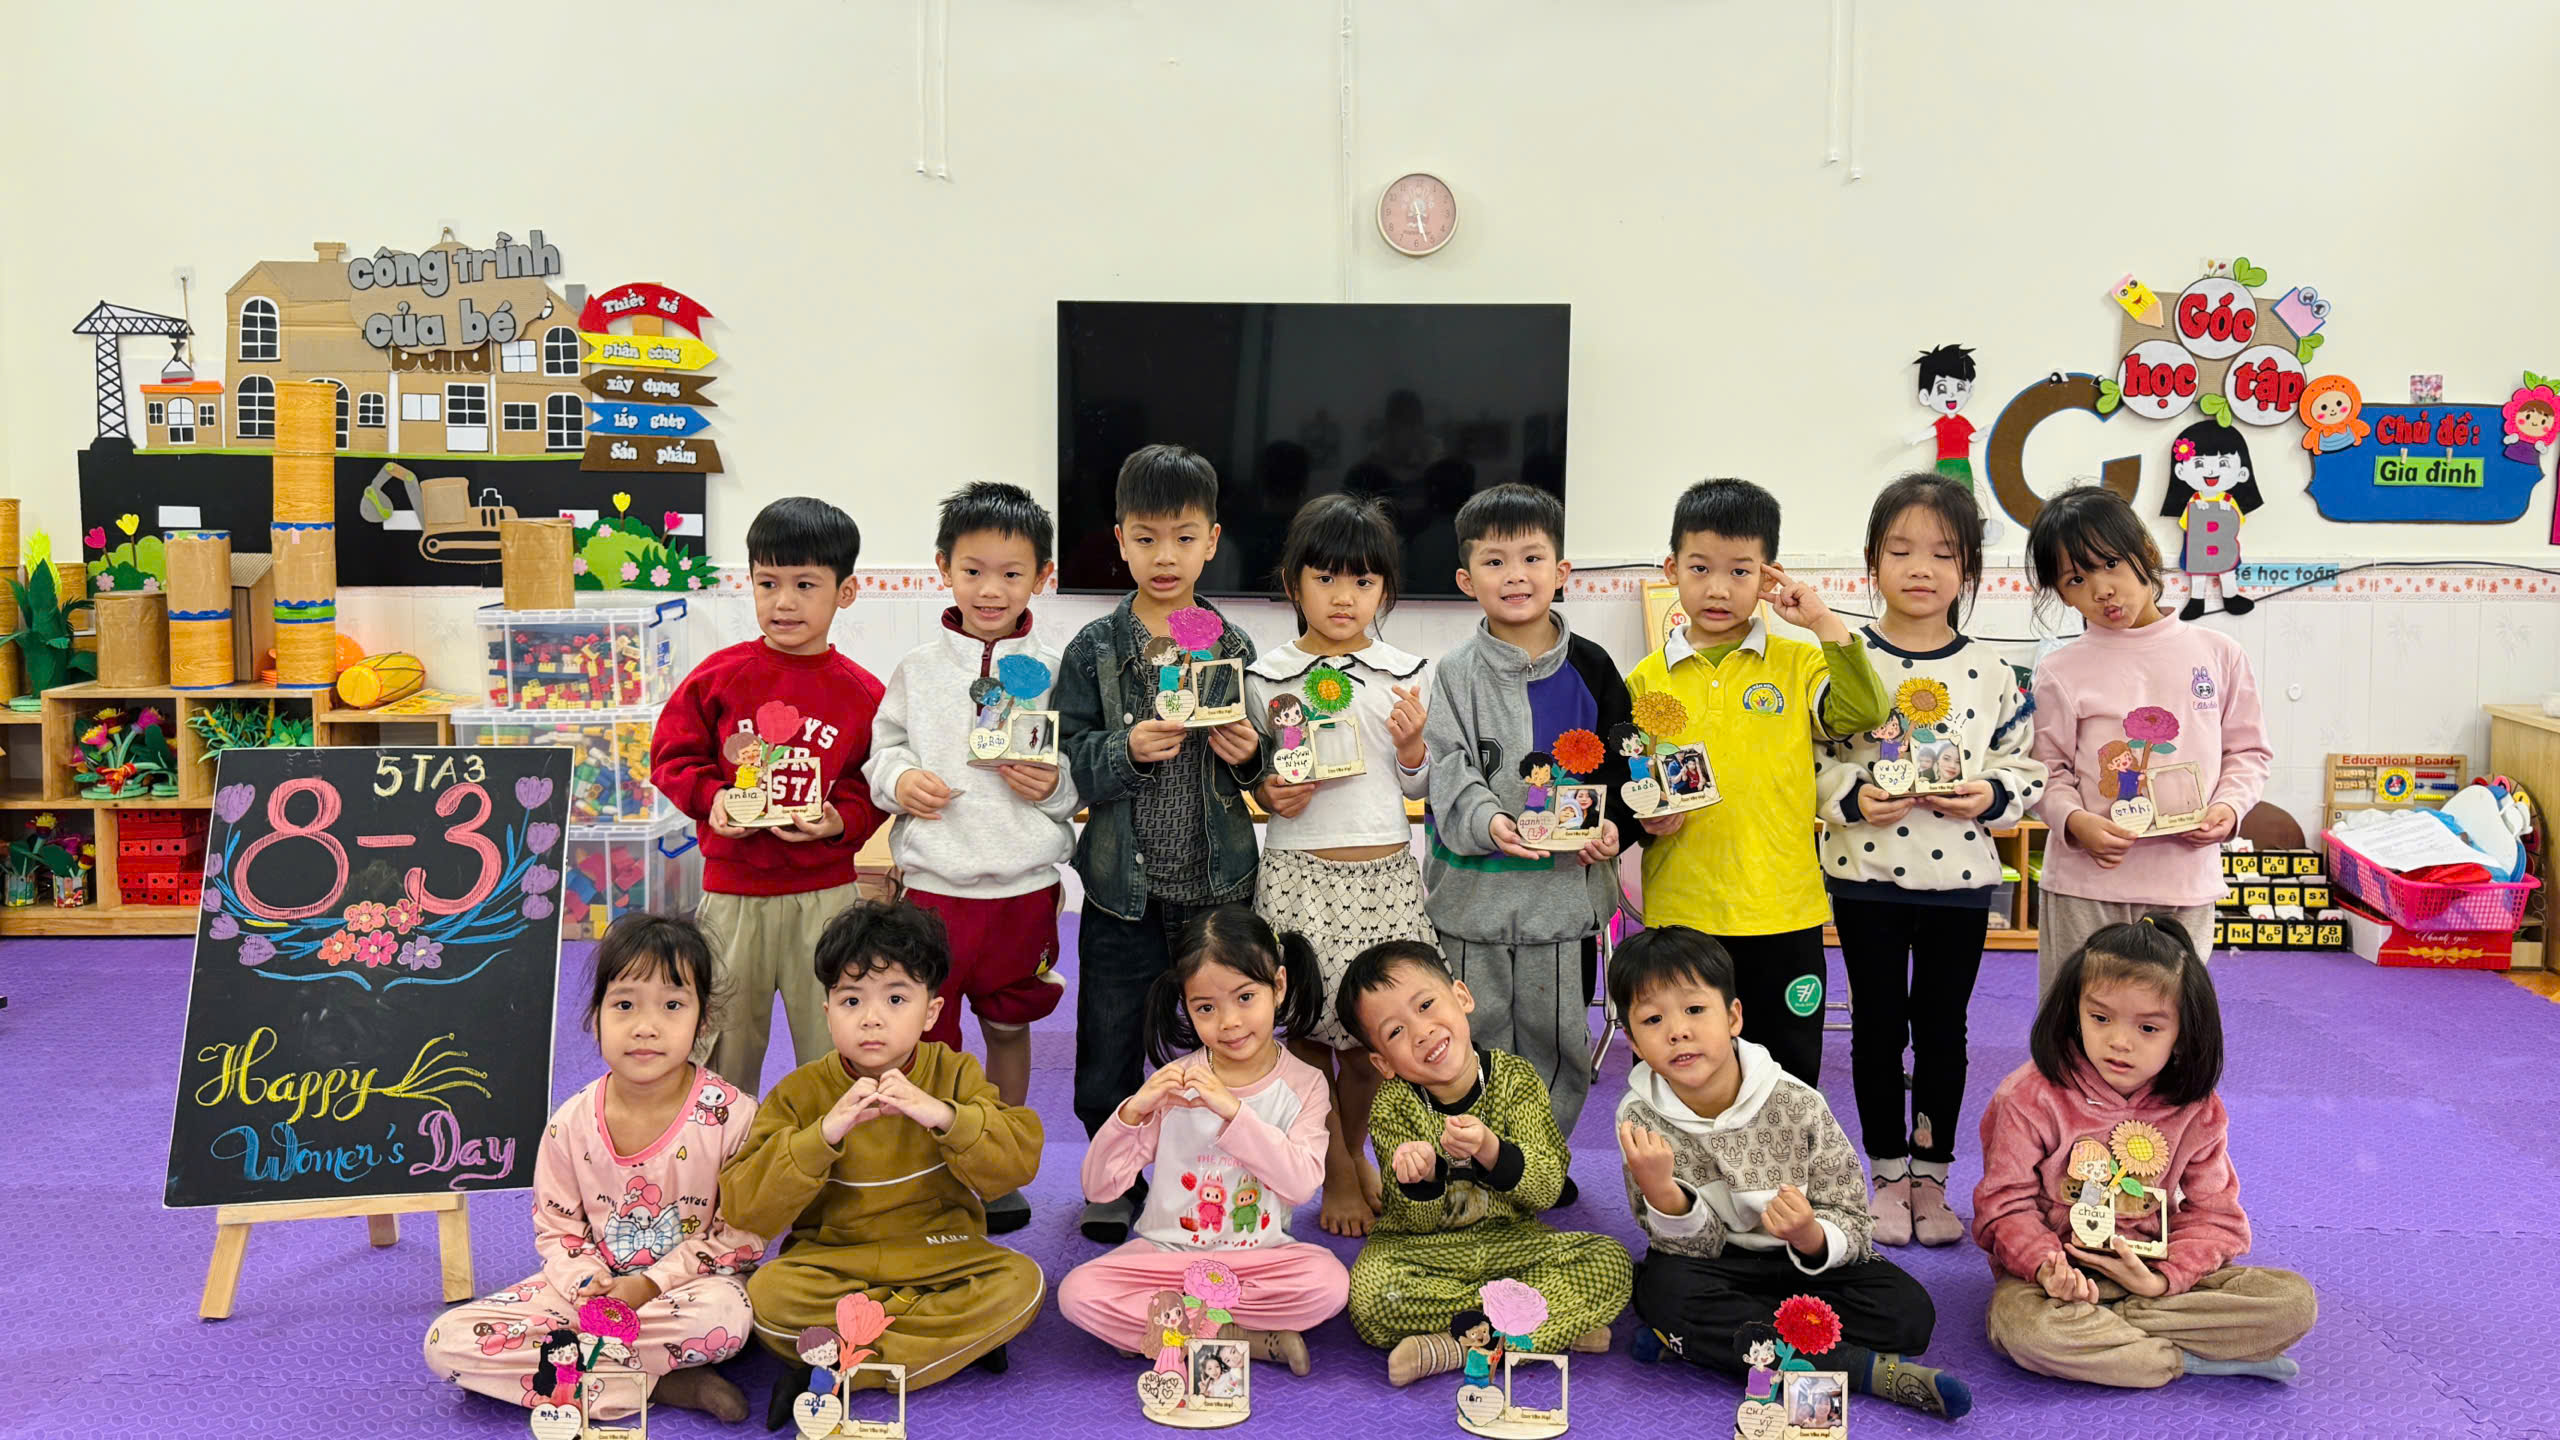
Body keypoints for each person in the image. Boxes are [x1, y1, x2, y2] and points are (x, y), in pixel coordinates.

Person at [1815, 475, 2046, 1248]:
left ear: (1969, 568)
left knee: (1944, 1031)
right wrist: (1851, 797)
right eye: (1901, 550)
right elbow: (1810, 760)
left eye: (1944, 554)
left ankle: (1933, 1177)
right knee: (1877, 1030)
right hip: (1866, 876)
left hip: (1961, 882)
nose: (1921, 568)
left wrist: (1992, 793)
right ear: (1872, 563)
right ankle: (1885, 1174)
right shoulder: (1845, 660)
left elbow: (2025, 764)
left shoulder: (1993, 671)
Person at [1612, 927, 1972, 1419]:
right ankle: (1865, 1370)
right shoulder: (1637, 1118)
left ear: (1733, 1017)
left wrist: (1809, 1235)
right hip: (1716, 1265)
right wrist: (1662, 1192)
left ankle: (1702, 1344)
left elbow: (1850, 1214)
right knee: (1664, 1292)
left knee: (1908, 1313)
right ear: (1632, 1040)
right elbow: (1687, 1248)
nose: (1677, 1031)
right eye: (1653, 1019)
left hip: (1804, 1265)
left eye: (1695, 1009)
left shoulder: (1797, 1102)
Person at [423, 916, 764, 1423]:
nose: (645, 1027)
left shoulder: (734, 1117)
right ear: (595, 1015)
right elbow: (557, 1230)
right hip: (590, 1298)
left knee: (726, 1318)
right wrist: (589, 1284)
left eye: (672, 1005)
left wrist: (648, 1286)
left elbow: (740, 1237)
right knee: (445, 1342)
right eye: (624, 1005)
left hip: (681, 1295)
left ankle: (576, 1372)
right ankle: (660, 1382)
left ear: (704, 1018)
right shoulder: (571, 1123)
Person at [1055, 444, 1268, 1243]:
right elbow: (1068, 757)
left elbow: (1269, 766)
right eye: (1146, 539)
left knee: (1229, 1037)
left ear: (1212, 540)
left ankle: (1222, 1171)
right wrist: (1123, 749)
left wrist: (1249, 753)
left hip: (1218, 888)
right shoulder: (1093, 648)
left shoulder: (1233, 645)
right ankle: (1113, 1179)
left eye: (1182, 537)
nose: (1165, 556)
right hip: (1122, 891)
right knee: (1108, 1041)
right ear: (1120, 541)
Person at [721, 901, 1044, 1422]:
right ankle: (952, 1343)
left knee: (1022, 1282)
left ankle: (835, 1366)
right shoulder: (801, 1091)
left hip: (943, 1256)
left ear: (931, 1012)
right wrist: (821, 1135)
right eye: (851, 1000)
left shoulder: (955, 1072)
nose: (871, 1018)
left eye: (896, 998)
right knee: (767, 1296)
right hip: (833, 1263)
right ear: (827, 1012)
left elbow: (1015, 1166)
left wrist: (944, 1116)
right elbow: (745, 1208)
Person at [864, 481, 1079, 1233]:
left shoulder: (1059, 669)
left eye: (1012, 573)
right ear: (943, 570)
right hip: (934, 891)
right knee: (928, 1034)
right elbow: (883, 751)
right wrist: (900, 781)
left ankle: (997, 1161)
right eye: (974, 570)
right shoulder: (920, 668)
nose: (992, 589)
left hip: (1023, 890)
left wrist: (1055, 786)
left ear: (1042, 577)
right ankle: (930, 1164)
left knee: (1011, 1026)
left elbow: (1075, 776)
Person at [1625, 478, 1890, 1086]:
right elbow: (1636, 783)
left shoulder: (1799, 661)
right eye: (1700, 568)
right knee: (1683, 1070)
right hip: (1683, 911)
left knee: (1786, 1073)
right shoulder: (1644, 679)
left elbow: (1863, 711)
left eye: (1740, 571)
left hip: (1783, 909)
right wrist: (1647, 817)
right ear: (1672, 569)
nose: (1718, 589)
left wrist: (1820, 619)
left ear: (1768, 576)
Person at [1976, 917, 2316, 1388]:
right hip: (2056, 1284)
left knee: (2292, 1303)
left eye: (2149, 1027)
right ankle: (2188, 1359)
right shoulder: (2027, 1096)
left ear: (2183, 1035)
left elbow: (2215, 1216)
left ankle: (2122, 1341)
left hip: (2155, 1276)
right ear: (2074, 1012)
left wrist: (2161, 1280)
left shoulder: (2197, 1109)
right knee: (2026, 1330)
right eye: (2100, 1018)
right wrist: (2048, 1268)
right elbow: (2003, 1207)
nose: (2120, 1041)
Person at [1423, 483, 1636, 1152]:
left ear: (1561, 571)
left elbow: (1623, 765)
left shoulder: (1593, 667)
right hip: (1475, 900)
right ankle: (1478, 1155)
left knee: (1558, 1038)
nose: (1515, 575)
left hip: (1564, 901)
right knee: (1473, 1033)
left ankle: (1542, 1157)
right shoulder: (1455, 673)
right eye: (1495, 561)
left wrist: (1614, 828)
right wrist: (1489, 821)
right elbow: (1448, 764)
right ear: (1467, 579)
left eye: (1532, 558)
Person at [1245, 493, 1436, 1238]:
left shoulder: (1407, 672)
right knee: (1303, 1034)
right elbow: (1256, 780)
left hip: (1386, 878)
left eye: (1362, 580)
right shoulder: (1265, 677)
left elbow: (1418, 784)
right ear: (1293, 583)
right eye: (1325, 578)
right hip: (1298, 877)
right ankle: (1332, 1166)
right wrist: (1269, 791)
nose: (1343, 596)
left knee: (1371, 1040)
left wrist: (1413, 747)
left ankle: (1351, 1151)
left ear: (1384, 588)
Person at [650, 496, 888, 1088]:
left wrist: (840, 819)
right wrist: (712, 798)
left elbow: (876, 783)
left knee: (835, 1041)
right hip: (734, 894)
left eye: (805, 585)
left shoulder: (864, 693)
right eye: (767, 583)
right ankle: (722, 1141)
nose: (783, 602)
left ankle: (835, 1140)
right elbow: (671, 756)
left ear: (845, 592)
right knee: (722, 1042)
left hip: (826, 895)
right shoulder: (718, 677)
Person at [1058, 908, 1350, 1378]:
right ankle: (1238, 1337)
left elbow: (1300, 1186)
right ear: (1187, 1006)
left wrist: (1234, 1112)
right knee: (1078, 1293)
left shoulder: (1306, 1084)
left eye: (1245, 997)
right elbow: (1100, 1187)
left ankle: (1165, 1332)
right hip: (1169, 1260)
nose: (1229, 1022)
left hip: (1259, 1261)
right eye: (1206, 1008)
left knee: (1329, 1284)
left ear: (1278, 986)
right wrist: (1132, 1112)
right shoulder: (1175, 1084)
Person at [1336, 940, 1630, 1387]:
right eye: (1395, 1032)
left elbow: (1548, 1188)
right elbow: (1413, 1222)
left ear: (1462, 997)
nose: (1421, 1032)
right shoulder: (1392, 1105)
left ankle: (1454, 1347)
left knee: (1610, 1262)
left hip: (1513, 1246)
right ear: (1383, 1062)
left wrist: (1493, 1151)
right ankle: (1548, 1324)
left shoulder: (1516, 1079)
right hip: (1424, 1254)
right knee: (1373, 1296)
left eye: (1426, 1005)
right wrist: (1424, 1179)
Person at [2025, 487, 2271, 996]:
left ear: (2147, 552)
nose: (2102, 589)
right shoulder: (2060, 670)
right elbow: (2045, 770)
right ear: (2062, 594)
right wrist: (2075, 821)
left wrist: (2228, 808)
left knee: (2168, 1017)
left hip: (2184, 880)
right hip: (2087, 882)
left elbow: (2247, 753)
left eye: (2111, 563)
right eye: (2076, 579)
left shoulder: (2218, 654)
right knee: (2075, 1014)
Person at [2159, 423, 2265, 621]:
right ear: (2180, 471)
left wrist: (2228, 512)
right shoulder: (2194, 501)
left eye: (2223, 463)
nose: (2210, 471)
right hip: (2199, 548)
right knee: (2198, 573)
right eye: (2199, 464)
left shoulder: (2229, 500)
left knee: (2227, 571)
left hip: (2223, 547)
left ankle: (2231, 597)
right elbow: (2185, 524)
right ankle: (2196, 600)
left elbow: (2238, 521)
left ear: (2242, 472)